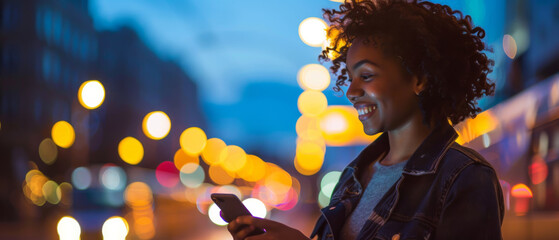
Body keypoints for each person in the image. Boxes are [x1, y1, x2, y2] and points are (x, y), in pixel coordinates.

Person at [227, 0, 504, 239]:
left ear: (420, 79)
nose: (351, 92)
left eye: (367, 76)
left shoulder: (465, 177)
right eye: (349, 77)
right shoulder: (354, 175)